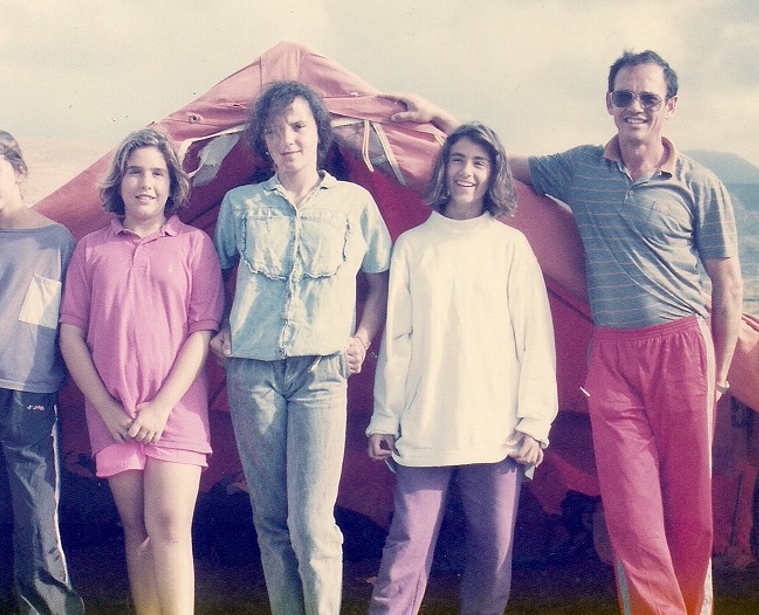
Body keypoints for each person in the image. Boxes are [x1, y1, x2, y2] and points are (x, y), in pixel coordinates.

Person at [384, 49, 743, 615]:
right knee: (630, 511)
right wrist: (437, 116)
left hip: (682, 350)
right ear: (609, 103)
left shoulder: (700, 184)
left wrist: (719, 373)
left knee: (688, 506)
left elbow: (728, 285)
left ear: (671, 106)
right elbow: (501, 159)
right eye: (624, 96)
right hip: (614, 354)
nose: (635, 107)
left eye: (648, 97)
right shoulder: (581, 168)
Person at [210, 80, 392, 615]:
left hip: (322, 373)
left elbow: (380, 281)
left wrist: (362, 337)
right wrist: (220, 325)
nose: (286, 139)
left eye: (297, 126)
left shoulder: (355, 204)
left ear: (318, 133)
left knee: (313, 523)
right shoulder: (240, 205)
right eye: (273, 131)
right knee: (270, 519)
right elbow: (209, 273)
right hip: (252, 373)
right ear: (262, 141)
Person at [365, 122, 557, 615]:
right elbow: (397, 341)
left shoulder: (511, 247)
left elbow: (535, 340)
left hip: (496, 433)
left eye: (478, 162)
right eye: (457, 159)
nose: (466, 172)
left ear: (493, 173)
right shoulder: (413, 246)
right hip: (425, 425)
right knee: (406, 551)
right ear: (443, 169)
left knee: (493, 555)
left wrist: (535, 422)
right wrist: (385, 417)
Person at [59, 128, 223, 615]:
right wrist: (106, 408)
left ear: (172, 184)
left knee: (169, 527)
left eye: (157, 173)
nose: (145, 183)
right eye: (135, 172)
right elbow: (71, 334)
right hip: (113, 415)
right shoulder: (91, 249)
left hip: (175, 412)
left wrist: (161, 406)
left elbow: (202, 331)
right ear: (119, 180)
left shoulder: (194, 246)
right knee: (138, 531)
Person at [0, 128, 85, 615]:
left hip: (29, 395)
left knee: (35, 515)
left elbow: (60, 322)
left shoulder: (55, 240)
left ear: (19, 171)